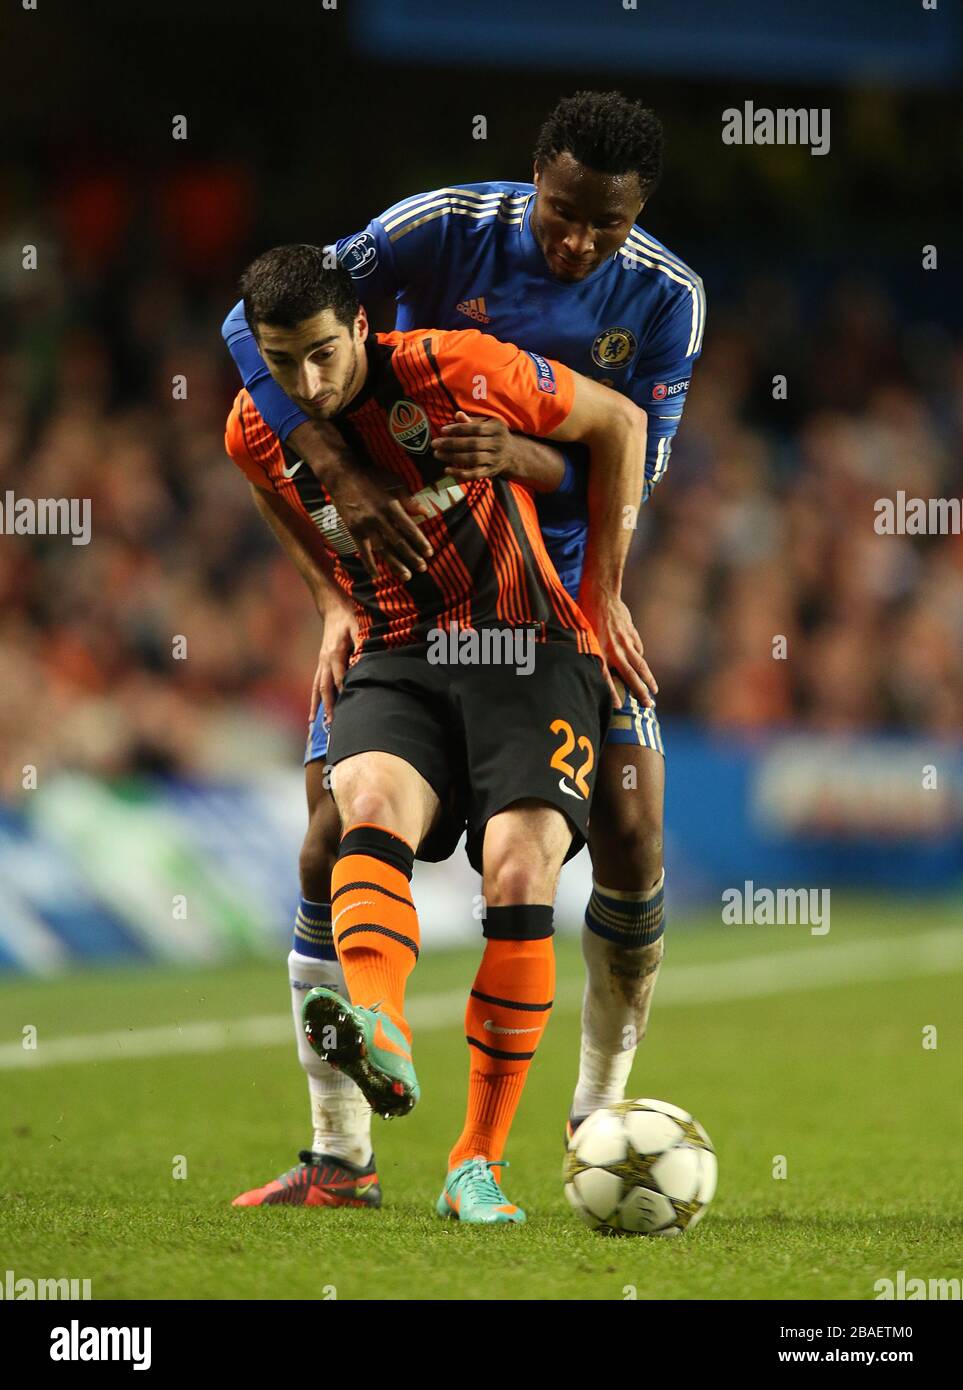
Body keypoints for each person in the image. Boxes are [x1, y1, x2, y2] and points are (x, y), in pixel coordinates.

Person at [223, 90, 706, 1207]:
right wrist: (331, 510)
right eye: (562, 213)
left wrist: (597, 576)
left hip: (552, 584)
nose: (579, 242)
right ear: (534, 171)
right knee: (325, 836)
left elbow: (629, 446)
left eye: (608, 225)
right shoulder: (440, 229)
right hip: (398, 583)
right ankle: (339, 1155)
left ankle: (596, 1115)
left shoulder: (668, 302)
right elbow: (257, 326)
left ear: (641, 215)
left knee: (630, 830)